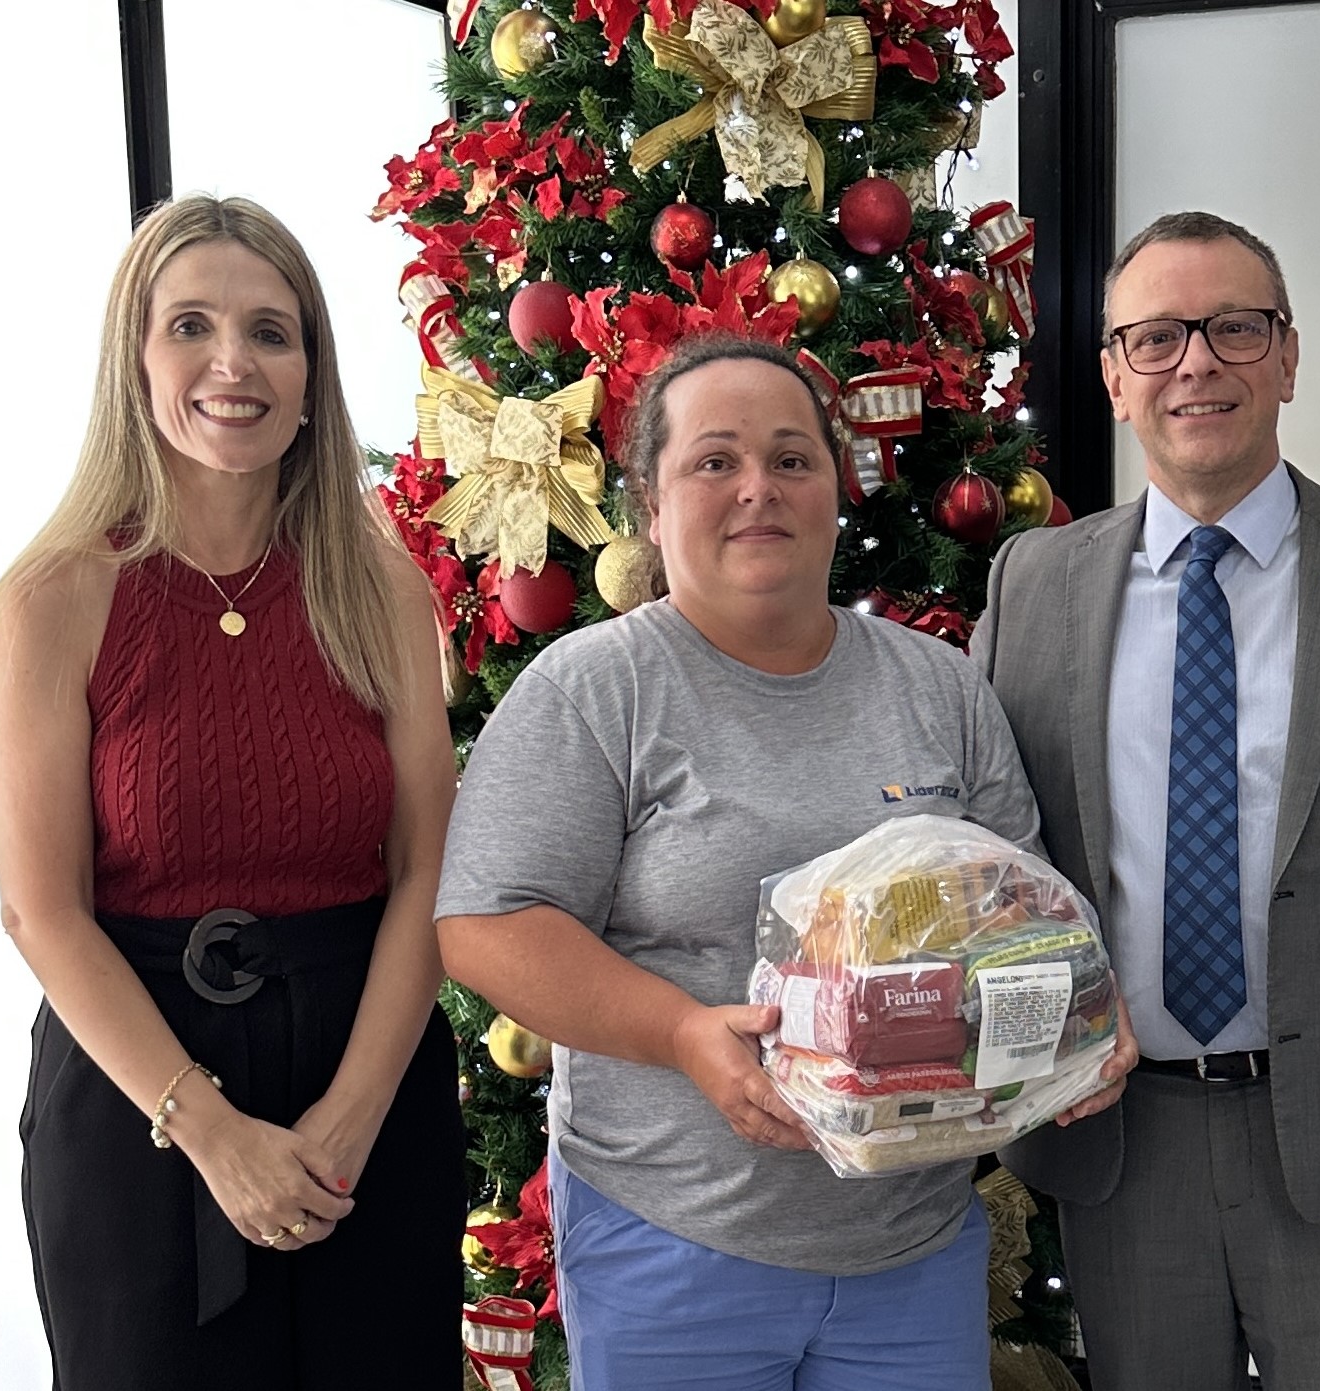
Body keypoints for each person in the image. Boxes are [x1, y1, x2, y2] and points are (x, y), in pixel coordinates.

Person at [433, 333, 1135, 1391]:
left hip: (911, 1247)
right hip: (673, 1244)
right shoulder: (595, 691)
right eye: (713, 461)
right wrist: (679, 1033)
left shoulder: (939, 686)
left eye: (792, 458)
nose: (758, 487)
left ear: (835, 491)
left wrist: (1082, 1015)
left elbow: (1020, 915)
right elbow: (486, 924)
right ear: (652, 508)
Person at [973, 211, 1320, 1390]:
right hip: (1122, 1139)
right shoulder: (1034, 582)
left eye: (1234, 328)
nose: (1198, 362)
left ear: (1287, 355)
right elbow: (991, 864)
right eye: (1159, 336)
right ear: (1114, 376)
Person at [0, 195, 461, 1386]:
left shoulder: (383, 589)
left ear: (311, 375)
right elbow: (42, 909)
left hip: (370, 1082)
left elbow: (427, 872)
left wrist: (347, 1123)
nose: (232, 362)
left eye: (272, 331)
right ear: (134, 360)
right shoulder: (58, 594)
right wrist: (210, 1132)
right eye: (189, 325)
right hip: (138, 1110)